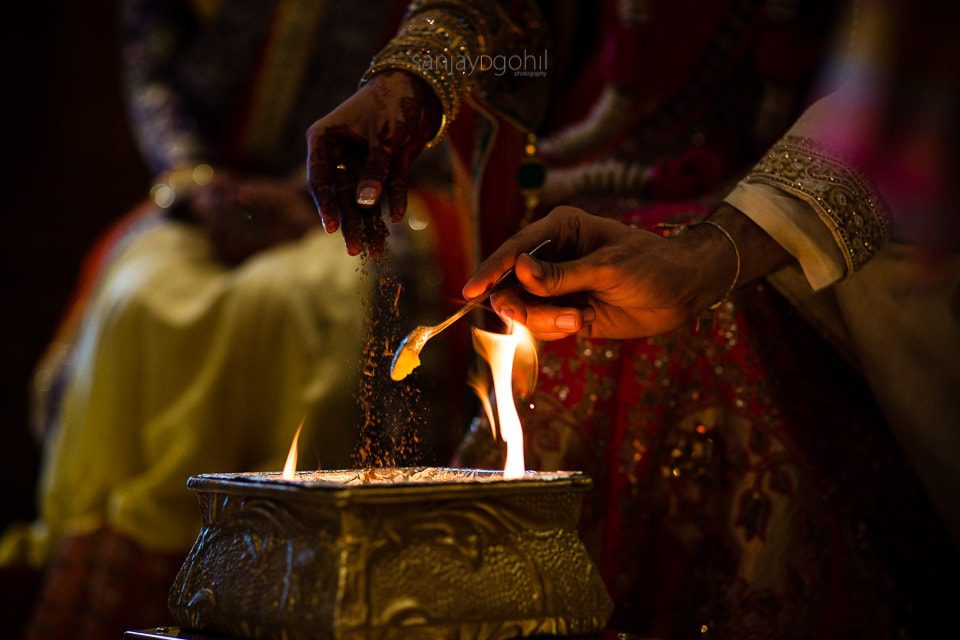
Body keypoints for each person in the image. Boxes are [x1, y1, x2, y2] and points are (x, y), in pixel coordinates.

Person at [305, 0, 959, 636]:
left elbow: (917, 82)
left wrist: (713, 254)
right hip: (610, 182)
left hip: (862, 216)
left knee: (635, 325)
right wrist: (413, 81)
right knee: (558, 295)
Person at [0, 1, 427, 638]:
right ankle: (119, 570)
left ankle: (285, 568)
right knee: (140, 300)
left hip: (367, 193)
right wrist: (197, 185)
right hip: (209, 196)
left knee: (291, 303)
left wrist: (304, 193)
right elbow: (155, 75)